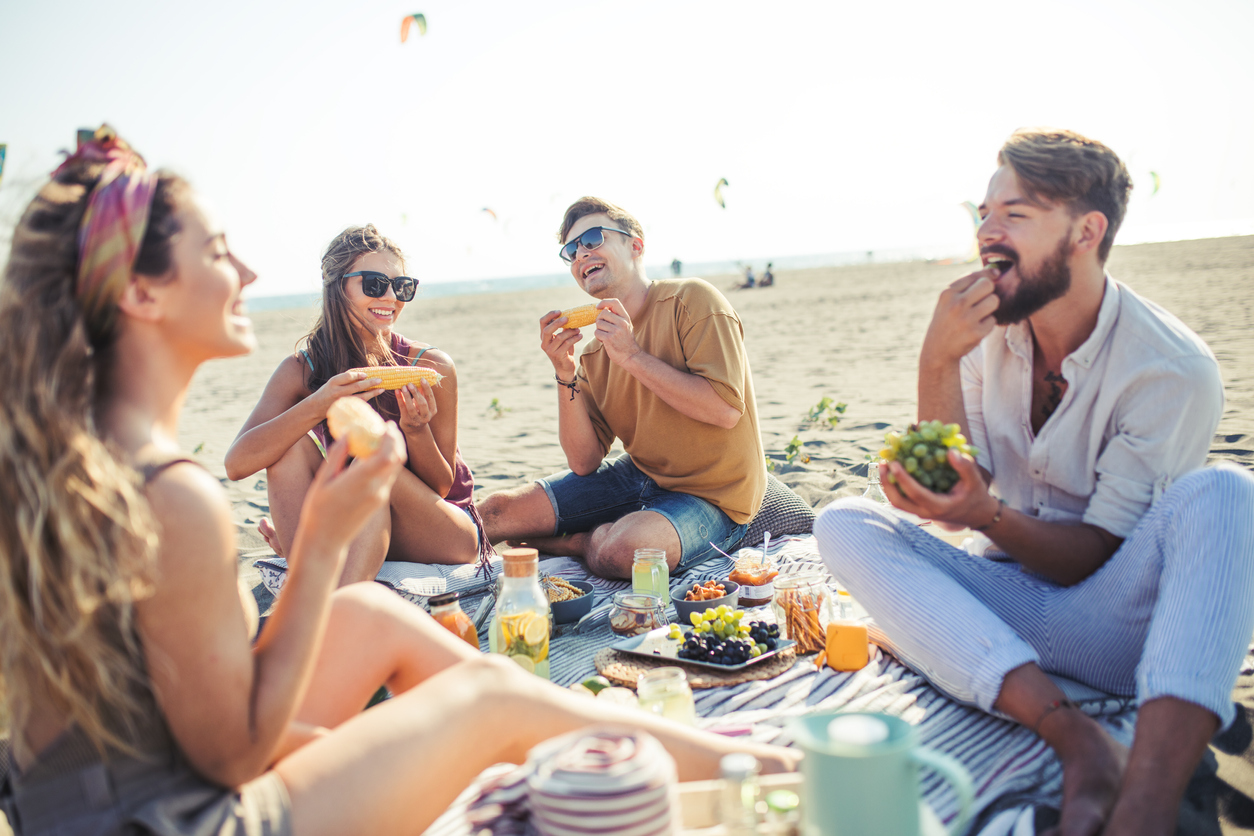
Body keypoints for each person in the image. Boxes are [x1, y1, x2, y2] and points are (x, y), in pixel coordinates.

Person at [0, 128, 795, 836]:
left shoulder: (80, 454)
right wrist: (319, 546)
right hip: (168, 815)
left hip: (94, 790)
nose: (246, 271)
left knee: (374, 616)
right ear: (140, 293)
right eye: (217, 252)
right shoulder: (176, 496)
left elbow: (178, 716)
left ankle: (689, 751)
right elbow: (233, 753)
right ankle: (764, 772)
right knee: (485, 701)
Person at [813, 128, 1254, 836]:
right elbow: (958, 494)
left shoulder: (1170, 368)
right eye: (983, 213)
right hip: (1005, 604)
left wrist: (987, 514)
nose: (986, 231)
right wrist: (937, 360)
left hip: (1115, 628)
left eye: (1014, 214)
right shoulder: (989, 330)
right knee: (840, 522)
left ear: (1087, 231)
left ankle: (1144, 811)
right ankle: (1080, 743)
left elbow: (1092, 554)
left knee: (1227, 492)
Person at [478, 197, 766, 580]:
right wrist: (564, 372)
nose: (581, 254)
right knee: (494, 513)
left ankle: (575, 543)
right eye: (571, 250)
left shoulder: (692, 300)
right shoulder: (595, 353)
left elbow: (725, 410)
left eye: (593, 239)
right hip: (641, 476)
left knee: (624, 551)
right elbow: (584, 461)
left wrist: (631, 356)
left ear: (636, 245)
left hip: (717, 496)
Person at [225, 225, 488, 585]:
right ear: (337, 286)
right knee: (287, 448)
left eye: (402, 286)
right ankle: (312, 579)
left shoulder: (430, 366)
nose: (391, 297)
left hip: (443, 532)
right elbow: (238, 464)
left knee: (369, 468)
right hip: (359, 524)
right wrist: (320, 402)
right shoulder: (301, 371)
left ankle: (336, 606)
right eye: (375, 284)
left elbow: (442, 487)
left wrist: (415, 429)